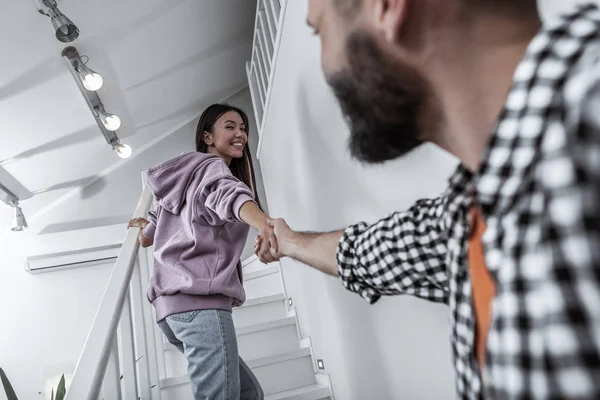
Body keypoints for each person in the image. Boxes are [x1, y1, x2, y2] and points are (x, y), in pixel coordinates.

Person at [255, 0, 600, 398]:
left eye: (321, 32)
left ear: (386, 7)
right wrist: (290, 241)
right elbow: (366, 253)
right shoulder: (473, 208)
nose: (327, 65)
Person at [128, 104, 275, 399]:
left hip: (172, 311)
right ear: (208, 137)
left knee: (249, 393)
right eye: (230, 126)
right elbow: (228, 195)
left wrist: (143, 226)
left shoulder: (180, 180)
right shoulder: (211, 168)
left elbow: (147, 238)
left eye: (244, 128)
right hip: (200, 307)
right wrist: (266, 225)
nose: (240, 134)